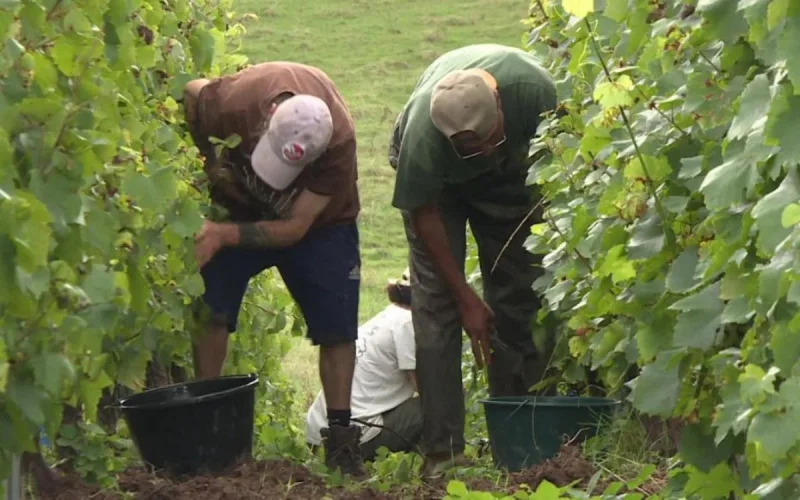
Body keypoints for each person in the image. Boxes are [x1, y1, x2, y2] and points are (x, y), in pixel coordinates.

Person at [181, 61, 366, 478]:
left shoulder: (339, 145)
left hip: (319, 225)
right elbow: (192, 92)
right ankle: (204, 424)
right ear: (267, 119)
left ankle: (339, 440)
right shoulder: (236, 99)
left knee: (337, 326)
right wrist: (209, 160)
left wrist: (222, 235)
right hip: (240, 203)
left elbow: (295, 227)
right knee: (211, 310)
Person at [387, 43, 559, 478]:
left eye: (489, 139)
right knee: (437, 308)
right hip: (441, 192)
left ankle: (519, 435)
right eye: (470, 146)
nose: (482, 150)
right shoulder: (423, 137)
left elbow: (562, 166)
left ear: (499, 103)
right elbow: (424, 213)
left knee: (519, 293)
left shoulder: (535, 91)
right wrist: (465, 297)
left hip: (511, 179)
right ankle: (443, 455)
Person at [306, 269, 422, 462]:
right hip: (353, 440)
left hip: (317, 437)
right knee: (440, 404)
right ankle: (434, 463)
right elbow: (423, 387)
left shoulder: (390, 315)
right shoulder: (408, 324)